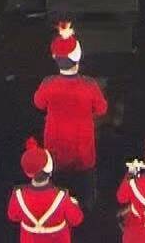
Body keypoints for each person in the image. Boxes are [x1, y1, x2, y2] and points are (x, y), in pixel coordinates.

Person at [33, 23, 107, 210]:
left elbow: (38, 103)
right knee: (85, 202)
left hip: (56, 155)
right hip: (84, 155)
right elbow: (102, 109)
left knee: (57, 203)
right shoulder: (90, 85)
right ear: (78, 57)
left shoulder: (48, 84)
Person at [8, 139, 84, 241]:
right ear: (50, 169)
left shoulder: (18, 194)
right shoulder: (61, 196)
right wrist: (74, 203)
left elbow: (13, 216)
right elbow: (76, 219)